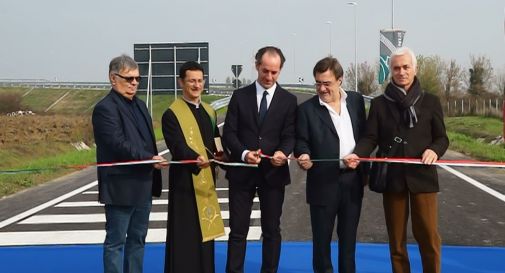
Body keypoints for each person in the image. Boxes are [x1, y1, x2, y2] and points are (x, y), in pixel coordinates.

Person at [345, 47, 449, 273]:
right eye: (396, 68)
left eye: (405, 67)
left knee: (429, 237)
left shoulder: (430, 101)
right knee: (396, 241)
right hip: (392, 180)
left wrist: (434, 150)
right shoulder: (380, 103)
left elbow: (442, 138)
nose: (401, 72)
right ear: (390, 71)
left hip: (423, 177)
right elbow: (370, 137)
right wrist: (358, 154)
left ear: (415, 68)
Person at [223, 46, 297, 273]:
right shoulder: (239, 96)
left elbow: (290, 135)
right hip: (242, 174)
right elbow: (229, 133)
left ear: (280, 70)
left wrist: (283, 153)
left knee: (272, 230)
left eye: (274, 72)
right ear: (257, 66)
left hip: (273, 175)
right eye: (265, 71)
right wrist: (244, 154)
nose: (269, 77)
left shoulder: (288, 100)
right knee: (237, 231)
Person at [92, 54, 167, 273]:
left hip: (143, 184)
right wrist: (147, 158)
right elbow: (117, 143)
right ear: (112, 78)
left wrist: (150, 158)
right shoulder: (105, 109)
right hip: (121, 187)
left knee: (138, 240)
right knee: (116, 243)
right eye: (128, 78)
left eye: (137, 79)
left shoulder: (141, 106)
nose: (134, 83)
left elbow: (148, 142)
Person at [295, 56, 367, 273]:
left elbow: (364, 135)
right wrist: (303, 155)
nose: (322, 88)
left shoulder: (355, 101)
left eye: (327, 83)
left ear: (340, 80)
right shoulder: (306, 110)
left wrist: (360, 155)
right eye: (318, 83)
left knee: (348, 243)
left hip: (352, 182)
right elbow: (301, 141)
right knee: (321, 244)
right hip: (322, 184)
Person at [161, 61, 226, 273]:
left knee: (205, 234)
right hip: (184, 183)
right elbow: (177, 145)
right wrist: (195, 158)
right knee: (185, 235)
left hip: (207, 180)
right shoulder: (172, 114)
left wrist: (221, 154)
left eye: (200, 80)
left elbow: (216, 139)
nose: (196, 85)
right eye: (191, 81)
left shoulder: (209, 111)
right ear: (181, 82)